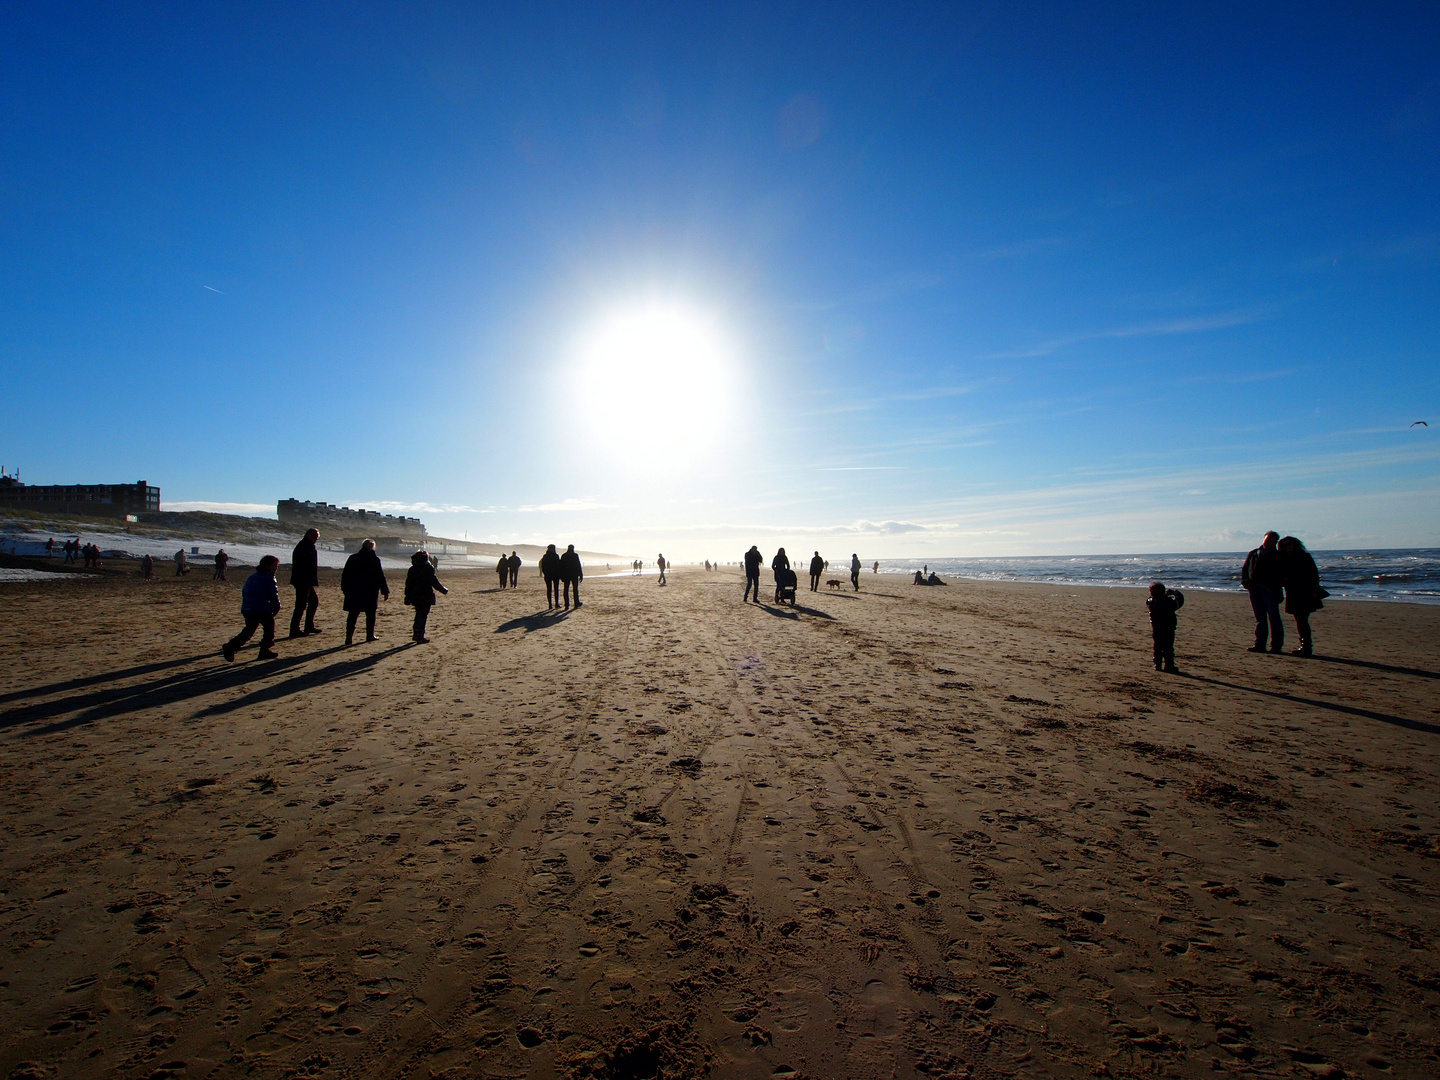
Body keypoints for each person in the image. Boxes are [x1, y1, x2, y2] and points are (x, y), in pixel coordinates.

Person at [223, 555, 281, 662]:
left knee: (248, 631)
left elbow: (245, 592)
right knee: (269, 629)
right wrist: (276, 608)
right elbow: (273, 595)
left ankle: (231, 647)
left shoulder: (253, 576)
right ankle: (264, 650)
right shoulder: (269, 578)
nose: (276, 569)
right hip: (260, 609)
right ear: (267, 566)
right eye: (274, 566)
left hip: (248, 608)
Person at [1279, 536, 1323, 657]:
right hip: (1293, 592)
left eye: (1289, 544)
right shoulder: (1285, 558)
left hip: (1305, 592)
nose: (1287, 547)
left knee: (1302, 619)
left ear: (1294, 545)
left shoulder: (1304, 557)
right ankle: (1305, 646)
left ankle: (1306, 647)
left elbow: (1314, 574)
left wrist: (1314, 589)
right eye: (1284, 545)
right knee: (1299, 619)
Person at [1241, 531, 1284, 653]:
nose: (1269, 543)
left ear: (1275, 542)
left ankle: (1276, 647)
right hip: (1255, 590)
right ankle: (1259, 644)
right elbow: (1245, 569)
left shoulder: (1278, 556)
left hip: (1270, 591)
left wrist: (1273, 586)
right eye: (1267, 540)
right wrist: (1246, 583)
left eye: (1272, 541)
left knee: (1274, 618)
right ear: (1264, 539)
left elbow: (1282, 574)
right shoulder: (1254, 553)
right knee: (1260, 619)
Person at [341, 539, 390, 645]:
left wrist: (344, 588)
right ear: (372, 547)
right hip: (370, 590)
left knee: (353, 614)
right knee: (370, 614)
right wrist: (385, 590)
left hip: (354, 590)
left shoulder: (353, 558)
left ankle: (349, 637)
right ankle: (369, 635)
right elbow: (380, 576)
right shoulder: (374, 559)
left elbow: (346, 574)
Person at [403, 549, 448, 643]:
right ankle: (420, 635)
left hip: (415, 595)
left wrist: (407, 596)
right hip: (425, 595)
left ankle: (416, 634)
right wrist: (443, 590)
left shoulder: (412, 569)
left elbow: (408, 584)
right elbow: (434, 581)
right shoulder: (428, 568)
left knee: (418, 614)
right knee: (423, 615)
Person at [288, 528, 321, 638]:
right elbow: (303, 565)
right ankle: (294, 629)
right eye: (314, 536)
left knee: (313, 602)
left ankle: (308, 626)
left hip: (305, 580)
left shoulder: (308, 546)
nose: (315, 539)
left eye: (317, 537)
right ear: (308, 535)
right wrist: (309, 578)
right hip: (302, 580)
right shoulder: (304, 546)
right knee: (301, 605)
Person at [1147, 582, 1184, 673]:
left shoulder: (1150, 602)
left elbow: (1149, 599)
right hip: (1168, 627)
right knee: (1168, 648)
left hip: (1156, 628)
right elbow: (1179, 602)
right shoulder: (1168, 602)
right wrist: (1175, 592)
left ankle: (1157, 665)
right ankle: (1169, 666)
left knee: (1157, 647)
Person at [559, 544, 583, 609]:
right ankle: (576, 603)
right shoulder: (575, 555)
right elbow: (578, 565)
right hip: (574, 575)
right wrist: (580, 575)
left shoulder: (564, 556)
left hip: (566, 575)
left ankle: (567, 605)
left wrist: (561, 576)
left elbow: (561, 567)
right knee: (575, 589)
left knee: (566, 589)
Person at [539, 543, 561, 609]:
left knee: (549, 589)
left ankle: (550, 604)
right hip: (555, 575)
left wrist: (545, 573)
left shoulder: (545, 556)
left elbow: (542, 566)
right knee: (556, 589)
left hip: (548, 575)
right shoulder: (556, 556)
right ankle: (556, 604)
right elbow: (558, 566)